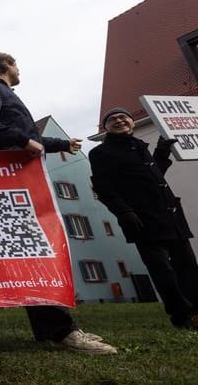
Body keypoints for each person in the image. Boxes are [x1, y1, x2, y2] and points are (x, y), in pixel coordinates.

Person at [0, 52, 116, 355]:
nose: (19, 68)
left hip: (16, 182)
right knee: (37, 253)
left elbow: (28, 136)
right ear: (3, 67)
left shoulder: (3, 92)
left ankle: (52, 330)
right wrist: (23, 141)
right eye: (15, 63)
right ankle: (63, 331)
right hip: (8, 183)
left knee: (30, 255)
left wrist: (62, 144)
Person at [89, 107, 198, 329]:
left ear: (132, 122)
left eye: (123, 117)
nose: (119, 120)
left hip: (170, 214)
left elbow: (150, 177)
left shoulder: (141, 147)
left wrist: (161, 152)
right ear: (105, 128)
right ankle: (182, 315)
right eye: (113, 119)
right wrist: (124, 211)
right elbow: (103, 186)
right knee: (163, 270)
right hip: (140, 218)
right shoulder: (101, 153)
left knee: (187, 266)